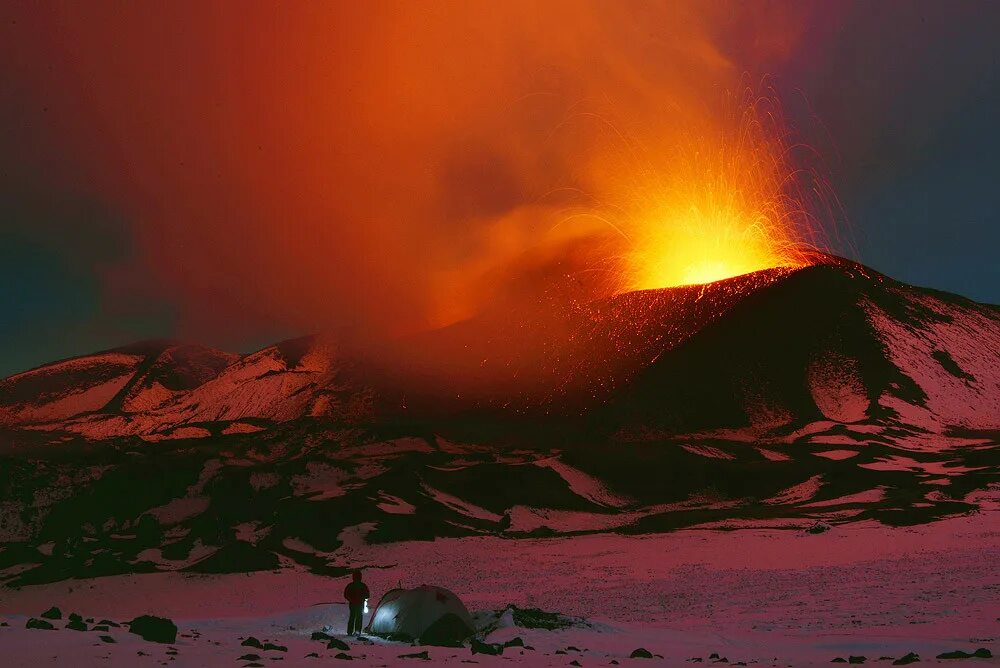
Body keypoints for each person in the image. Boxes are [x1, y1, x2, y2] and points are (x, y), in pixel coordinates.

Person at [343, 570, 370, 636]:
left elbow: (346, 594)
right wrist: (363, 598)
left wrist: (351, 599)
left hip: (352, 604)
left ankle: (350, 631)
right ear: (360, 577)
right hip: (360, 604)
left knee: (352, 617)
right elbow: (367, 595)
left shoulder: (350, 585)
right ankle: (357, 631)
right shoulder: (363, 585)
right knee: (359, 617)